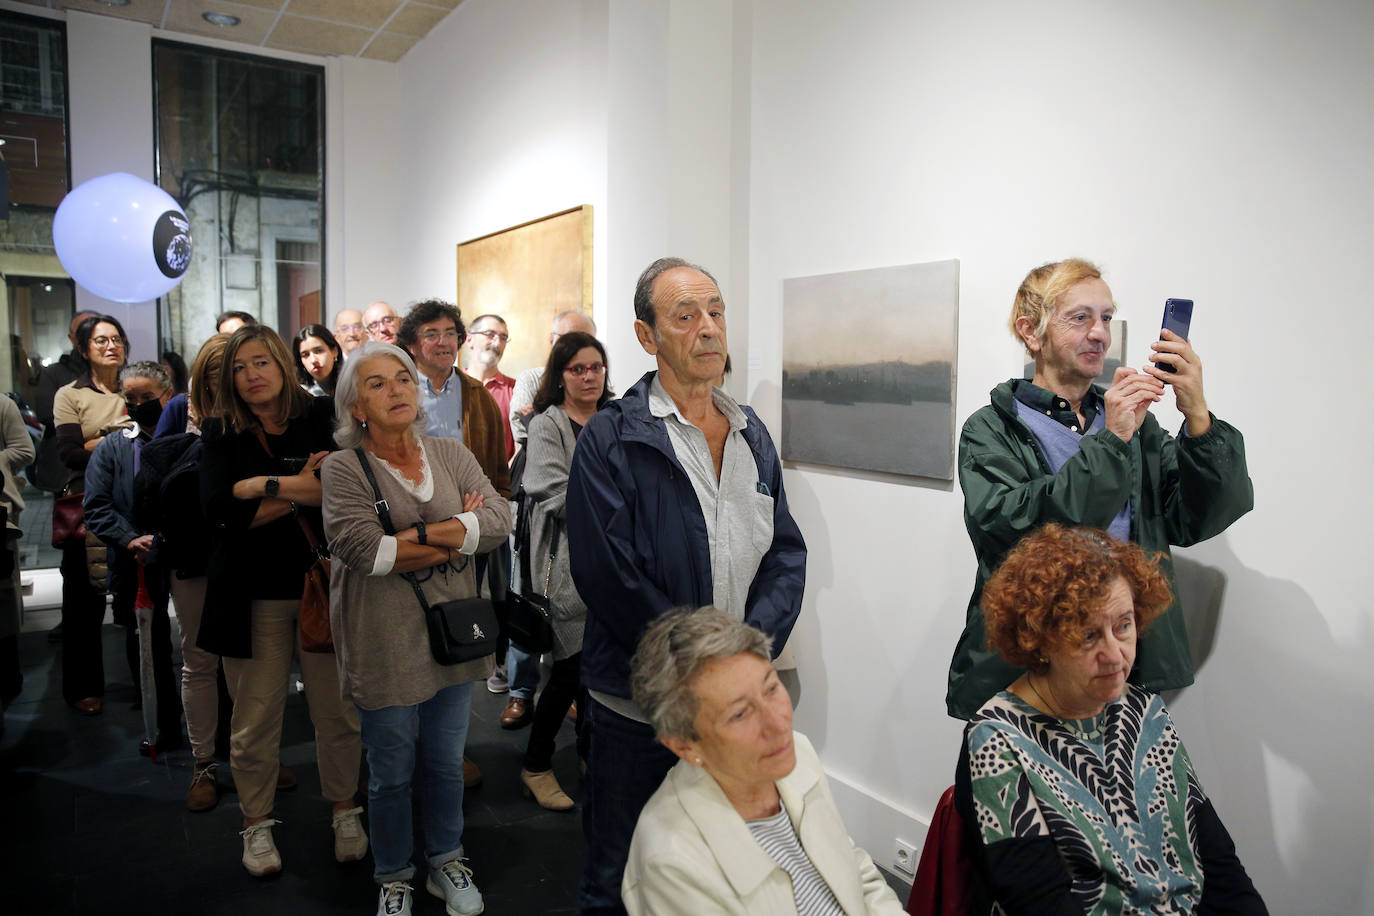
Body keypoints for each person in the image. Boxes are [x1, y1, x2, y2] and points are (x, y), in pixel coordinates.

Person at [566, 256, 807, 912]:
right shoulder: (612, 440)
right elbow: (610, 577)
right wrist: (702, 666)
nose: (708, 328)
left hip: (735, 704)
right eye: (685, 315)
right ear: (648, 337)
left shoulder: (752, 432)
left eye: (716, 311)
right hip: (637, 709)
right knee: (620, 876)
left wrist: (750, 647)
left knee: (725, 872)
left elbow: (786, 552)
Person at [947, 258, 1254, 720]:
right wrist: (1111, 441)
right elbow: (1015, 530)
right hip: (1032, 664)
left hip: (1122, 660)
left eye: (1106, 317)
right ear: (1032, 332)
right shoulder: (991, 429)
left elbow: (1195, 518)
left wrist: (1198, 417)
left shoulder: (1134, 426)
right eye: (1080, 317)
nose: (1100, 334)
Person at [957, 523, 1267, 914]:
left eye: (1123, 625)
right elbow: (1038, 902)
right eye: (1088, 636)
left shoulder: (1143, 709)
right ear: (1041, 638)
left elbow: (1219, 862)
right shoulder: (997, 740)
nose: (1116, 655)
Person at [322, 340, 512, 916]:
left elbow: (501, 521)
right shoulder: (341, 467)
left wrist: (414, 538)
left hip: (452, 636)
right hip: (383, 642)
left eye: (401, 378)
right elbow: (364, 553)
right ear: (355, 407)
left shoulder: (450, 454)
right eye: (376, 384)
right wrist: (457, 526)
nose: (395, 390)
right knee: (390, 771)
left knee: (445, 761)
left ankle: (446, 859)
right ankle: (394, 874)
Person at [197, 325, 364, 877]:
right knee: (254, 721)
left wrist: (258, 487)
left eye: (260, 362)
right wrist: (294, 484)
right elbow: (220, 512)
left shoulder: (319, 416)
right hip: (251, 598)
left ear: (282, 364)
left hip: (321, 585)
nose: (251, 376)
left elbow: (339, 490)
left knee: (336, 713)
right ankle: (256, 823)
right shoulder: (221, 430)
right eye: (239, 368)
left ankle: (345, 808)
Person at [622, 607, 903, 915]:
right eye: (740, 714)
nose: (778, 724)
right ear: (685, 746)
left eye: (771, 688)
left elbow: (856, 870)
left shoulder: (798, 754)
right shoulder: (673, 862)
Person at [136, 334, 238, 810]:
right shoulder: (181, 414)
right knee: (200, 659)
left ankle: (251, 755)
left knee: (253, 664)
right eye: (216, 376)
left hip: (247, 552)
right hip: (192, 555)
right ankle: (204, 762)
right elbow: (156, 483)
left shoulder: (266, 419)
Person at [516, 331, 612, 810]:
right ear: (561, 374)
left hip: (615, 565)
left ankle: (591, 755)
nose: (589, 376)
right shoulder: (547, 423)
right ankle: (536, 763)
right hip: (565, 564)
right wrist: (617, 510)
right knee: (569, 670)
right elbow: (549, 489)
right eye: (578, 368)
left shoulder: (615, 417)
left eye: (596, 367)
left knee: (601, 669)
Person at [84, 361, 181, 756]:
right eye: (132, 398)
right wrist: (131, 539)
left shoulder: (189, 441)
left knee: (198, 648)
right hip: (136, 560)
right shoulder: (113, 447)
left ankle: (213, 730)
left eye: (148, 397)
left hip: (185, 555)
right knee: (148, 645)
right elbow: (97, 506)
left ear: (167, 395)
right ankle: (161, 726)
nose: (140, 405)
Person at [53, 314, 133, 715]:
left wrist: (98, 441)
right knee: (84, 606)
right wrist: (118, 437)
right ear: (84, 349)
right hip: (87, 504)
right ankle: (83, 687)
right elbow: (67, 452)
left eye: (116, 339)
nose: (110, 346)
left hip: (136, 502)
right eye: (100, 341)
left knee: (139, 602)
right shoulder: (71, 394)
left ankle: (148, 684)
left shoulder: (135, 389)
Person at [508, 309, 597, 450]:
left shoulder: (597, 382)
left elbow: (603, 436)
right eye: (570, 339)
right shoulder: (531, 380)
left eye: (587, 342)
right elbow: (521, 429)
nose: (579, 349)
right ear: (552, 340)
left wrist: (540, 419)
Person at [0, 395, 36, 710]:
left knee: (2, 599)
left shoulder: (2, 406)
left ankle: (9, 675)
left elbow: (24, 450)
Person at [462, 314, 516, 459]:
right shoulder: (450, 386)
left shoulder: (515, 391)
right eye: (490, 334)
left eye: (503, 338)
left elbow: (520, 449)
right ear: (469, 339)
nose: (497, 343)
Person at [294, 324, 343, 396]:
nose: (313, 360)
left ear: (334, 351)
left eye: (319, 351)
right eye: (306, 355)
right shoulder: (298, 395)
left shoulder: (352, 384)